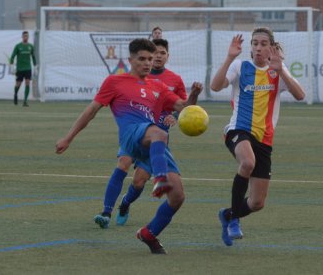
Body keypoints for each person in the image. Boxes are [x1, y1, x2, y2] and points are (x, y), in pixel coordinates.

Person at [56, 38, 202, 254]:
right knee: (159, 132)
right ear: (131, 60)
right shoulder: (114, 82)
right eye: (142, 59)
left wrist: (194, 95)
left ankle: (149, 234)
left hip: (153, 143)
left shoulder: (158, 86)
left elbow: (184, 107)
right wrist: (68, 137)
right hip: (132, 135)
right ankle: (157, 181)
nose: (147, 63)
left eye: (150, 59)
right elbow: (91, 111)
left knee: (178, 196)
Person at [210, 27, 305, 246]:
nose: (258, 48)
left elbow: (300, 95)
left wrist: (281, 70)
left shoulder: (276, 71)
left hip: (264, 139)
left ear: (271, 47)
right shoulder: (239, 66)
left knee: (257, 203)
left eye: (263, 44)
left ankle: (227, 214)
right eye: (255, 43)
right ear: (250, 47)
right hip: (238, 130)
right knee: (247, 163)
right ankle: (234, 220)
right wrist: (229, 57)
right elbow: (215, 87)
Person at [116, 38, 193, 226]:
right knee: (124, 163)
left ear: (167, 56)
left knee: (139, 182)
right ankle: (107, 208)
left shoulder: (175, 80)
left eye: (162, 53)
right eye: (155, 53)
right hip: (137, 134)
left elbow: (183, 106)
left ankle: (125, 203)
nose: (158, 57)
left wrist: (174, 115)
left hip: (157, 139)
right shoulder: (141, 77)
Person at [9, 31, 37, 107]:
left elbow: (33, 57)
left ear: (28, 37)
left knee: (27, 83)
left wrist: (35, 67)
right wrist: (11, 66)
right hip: (20, 69)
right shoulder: (18, 46)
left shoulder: (30, 46)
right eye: (24, 36)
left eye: (27, 36)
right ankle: (15, 94)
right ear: (22, 37)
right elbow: (12, 56)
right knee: (18, 84)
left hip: (28, 68)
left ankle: (25, 101)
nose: (25, 37)